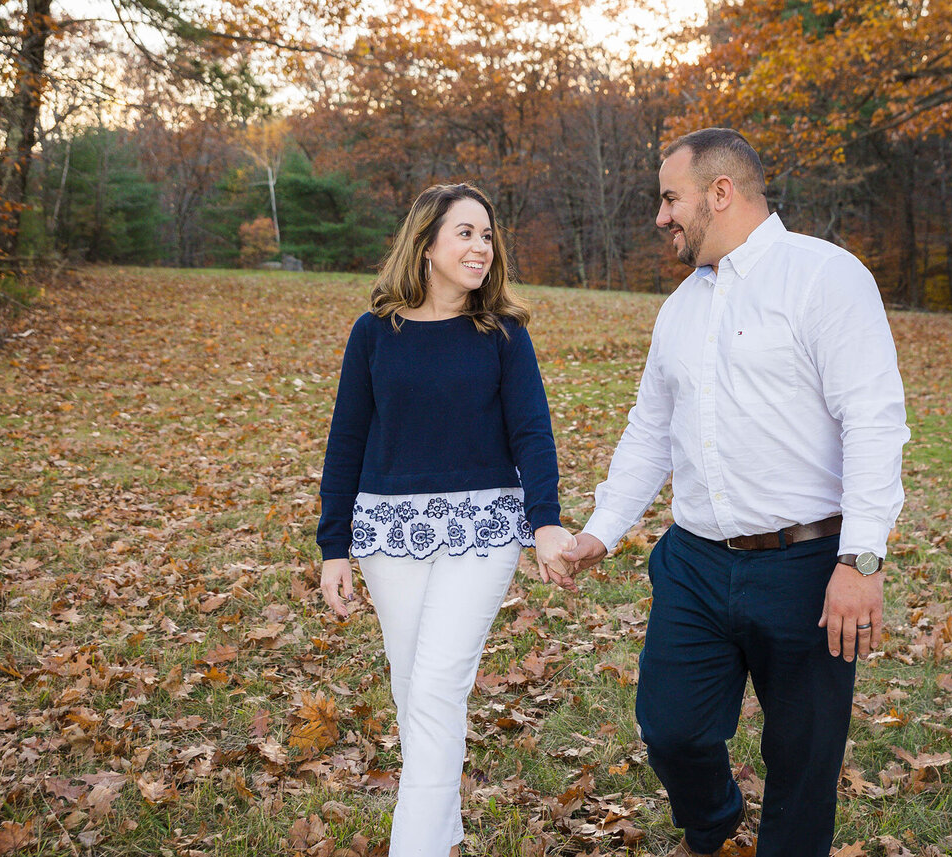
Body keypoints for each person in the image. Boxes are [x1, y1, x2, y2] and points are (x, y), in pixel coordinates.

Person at [561, 128, 909, 856]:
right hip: (694, 561)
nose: (661, 217)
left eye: (670, 198)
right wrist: (602, 527)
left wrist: (862, 560)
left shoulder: (825, 277)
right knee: (672, 727)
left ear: (721, 193)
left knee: (802, 763)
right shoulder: (681, 307)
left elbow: (874, 423)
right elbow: (649, 429)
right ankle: (713, 820)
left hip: (807, 567)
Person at [316, 182, 576, 856]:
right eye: (465, 233)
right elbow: (346, 439)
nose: (480, 247)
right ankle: (444, 830)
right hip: (388, 535)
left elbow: (532, 432)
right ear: (426, 244)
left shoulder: (503, 335)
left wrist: (544, 520)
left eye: (487, 235)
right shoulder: (375, 332)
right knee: (415, 691)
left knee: (435, 686)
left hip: (482, 530)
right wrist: (333, 547)